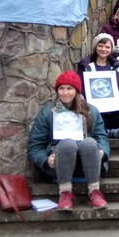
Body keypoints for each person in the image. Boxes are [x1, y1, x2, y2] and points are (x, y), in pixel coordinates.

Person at [27, 70, 110, 211]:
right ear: (57, 90)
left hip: (88, 165)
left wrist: (102, 151)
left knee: (90, 142)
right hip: (60, 166)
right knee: (67, 143)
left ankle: (94, 191)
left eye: (69, 89)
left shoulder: (91, 111)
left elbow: (101, 137)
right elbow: (35, 146)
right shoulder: (49, 112)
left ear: (76, 91)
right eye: (61, 89)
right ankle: (65, 193)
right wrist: (46, 161)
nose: (65, 93)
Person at [77, 33, 119, 139]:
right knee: (85, 116)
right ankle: (108, 131)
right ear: (95, 47)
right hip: (92, 105)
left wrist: (114, 101)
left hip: (111, 106)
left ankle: (103, 130)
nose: (103, 49)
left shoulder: (116, 66)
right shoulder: (85, 65)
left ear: (111, 49)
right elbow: (80, 87)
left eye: (107, 47)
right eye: (100, 46)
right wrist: (89, 102)